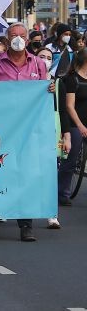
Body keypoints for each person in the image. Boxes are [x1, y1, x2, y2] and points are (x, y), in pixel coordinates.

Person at [0, 22, 50, 242]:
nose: (18, 39)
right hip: (0, 129)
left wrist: (50, 89)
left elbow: (44, 93)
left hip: (28, 131)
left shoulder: (38, 64)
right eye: (13, 36)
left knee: (25, 175)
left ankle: (25, 224)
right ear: (7, 40)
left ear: (27, 40)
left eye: (22, 35)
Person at [59, 48, 87, 207]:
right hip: (75, 124)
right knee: (70, 160)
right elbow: (69, 106)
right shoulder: (72, 79)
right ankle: (62, 193)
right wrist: (80, 125)